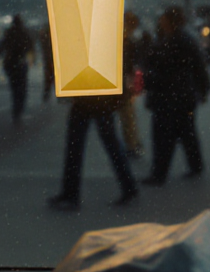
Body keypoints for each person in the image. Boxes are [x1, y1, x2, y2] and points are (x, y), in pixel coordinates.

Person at [46, 27, 141, 210]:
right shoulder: (108, 35)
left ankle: (71, 193)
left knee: (77, 145)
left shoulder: (87, 36)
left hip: (88, 96)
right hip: (99, 97)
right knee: (108, 143)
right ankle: (128, 186)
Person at [140, 7, 210, 186]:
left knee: (164, 136)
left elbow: (162, 69)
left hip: (169, 96)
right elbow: (198, 67)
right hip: (182, 95)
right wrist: (203, 90)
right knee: (186, 132)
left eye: (163, 20)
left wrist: (150, 79)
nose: (160, 23)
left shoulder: (172, 41)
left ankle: (159, 174)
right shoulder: (184, 39)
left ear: (170, 21)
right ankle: (195, 166)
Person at [117, 12, 146, 158]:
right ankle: (133, 143)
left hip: (123, 82)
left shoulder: (124, 41)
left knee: (127, 115)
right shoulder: (129, 41)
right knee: (128, 115)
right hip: (126, 82)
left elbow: (129, 64)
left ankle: (132, 144)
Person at [0, 15, 33, 124]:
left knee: (14, 89)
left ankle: (16, 110)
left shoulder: (9, 32)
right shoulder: (25, 33)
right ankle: (19, 109)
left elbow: (2, 46)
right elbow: (30, 46)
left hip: (10, 64)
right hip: (21, 63)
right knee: (22, 88)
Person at [38, 23, 55, 104]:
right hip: (51, 60)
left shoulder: (45, 37)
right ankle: (47, 95)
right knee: (53, 78)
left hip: (49, 60)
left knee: (48, 78)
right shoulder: (52, 37)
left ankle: (46, 95)